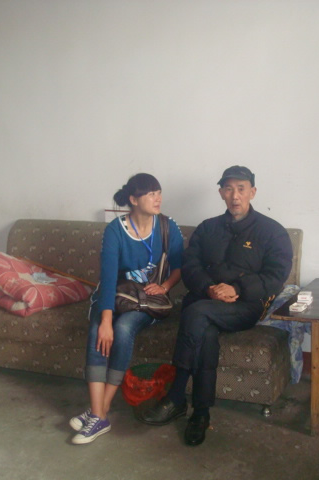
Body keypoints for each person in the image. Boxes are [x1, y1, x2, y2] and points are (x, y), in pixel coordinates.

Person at [140, 165, 293, 446]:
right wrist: (209, 288)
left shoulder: (272, 232)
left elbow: (275, 277)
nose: (235, 195)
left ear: (253, 192)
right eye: (229, 189)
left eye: (241, 189)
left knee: (195, 313)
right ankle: (201, 413)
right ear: (221, 193)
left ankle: (175, 397)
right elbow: (190, 265)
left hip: (244, 306)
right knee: (204, 329)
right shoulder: (207, 228)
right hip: (204, 299)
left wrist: (237, 288)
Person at [69, 173, 184, 445]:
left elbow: (180, 266)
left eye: (159, 192)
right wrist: (104, 320)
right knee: (98, 330)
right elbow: (108, 278)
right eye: (150, 193)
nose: (158, 198)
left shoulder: (168, 227)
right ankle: (99, 413)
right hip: (117, 296)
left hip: (148, 302)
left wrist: (165, 286)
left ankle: (99, 411)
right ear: (133, 199)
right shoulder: (115, 230)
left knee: (122, 328)